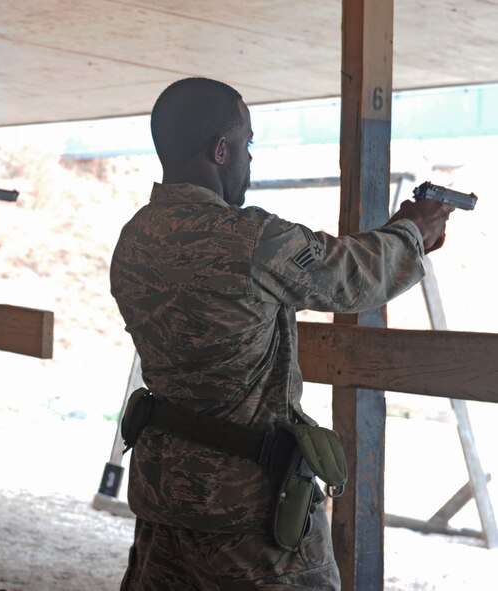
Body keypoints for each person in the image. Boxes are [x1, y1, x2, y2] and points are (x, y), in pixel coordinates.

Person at [110, 78, 454, 590]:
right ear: (220, 150)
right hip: (248, 509)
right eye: (247, 145)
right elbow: (350, 278)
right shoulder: (247, 238)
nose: (249, 160)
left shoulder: (135, 237)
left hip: (165, 495)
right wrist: (412, 231)